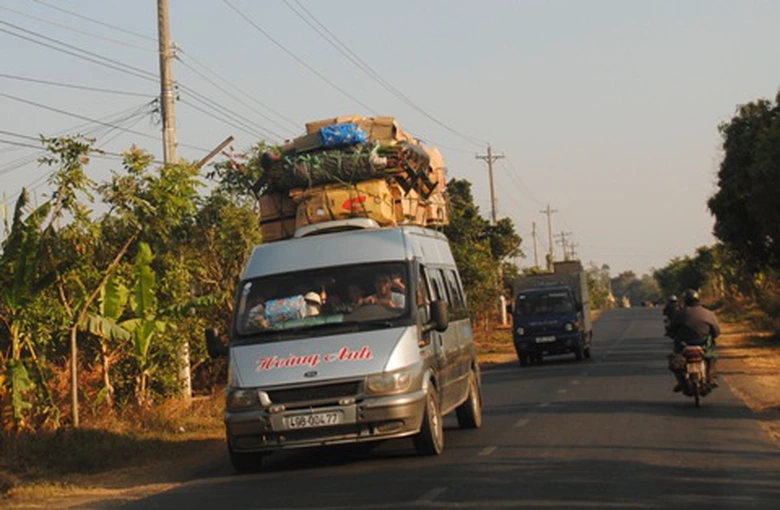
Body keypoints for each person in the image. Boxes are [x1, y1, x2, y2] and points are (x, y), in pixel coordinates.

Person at [666, 289, 721, 392]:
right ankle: (711, 378)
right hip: (703, 344)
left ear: (685, 300)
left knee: (675, 358)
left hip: (684, 344)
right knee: (711, 356)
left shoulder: (680, 313)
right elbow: (716, 331)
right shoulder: (708, 313)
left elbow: (671, 329)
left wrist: (672, 335)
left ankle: (681, 382)